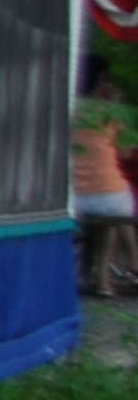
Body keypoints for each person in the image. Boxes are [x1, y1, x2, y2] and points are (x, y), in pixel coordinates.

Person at [78, 61, 136, 301]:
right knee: (113, 208)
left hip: (71, 198)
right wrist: (116, 106)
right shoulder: (109, 113)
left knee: (109, 211)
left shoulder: (66, 108)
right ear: (101, 81)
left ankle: (100, 278)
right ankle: (107, 278)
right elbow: (126, 152)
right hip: (109, 197)